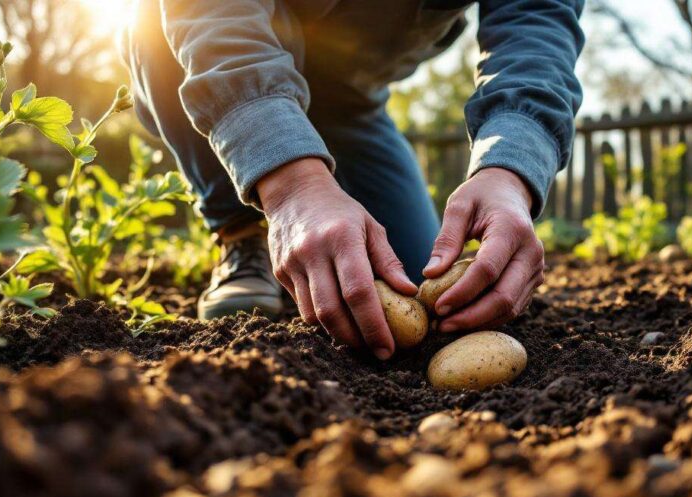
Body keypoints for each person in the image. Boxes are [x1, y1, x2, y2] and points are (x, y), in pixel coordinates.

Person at [123, 0, 585, 360]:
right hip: (243, 57)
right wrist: (292, 187)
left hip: (351, 100)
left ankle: (306, 248)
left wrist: (509, 172)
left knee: (411, 280)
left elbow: (537, 20)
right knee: (153, 25)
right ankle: (241, 234)